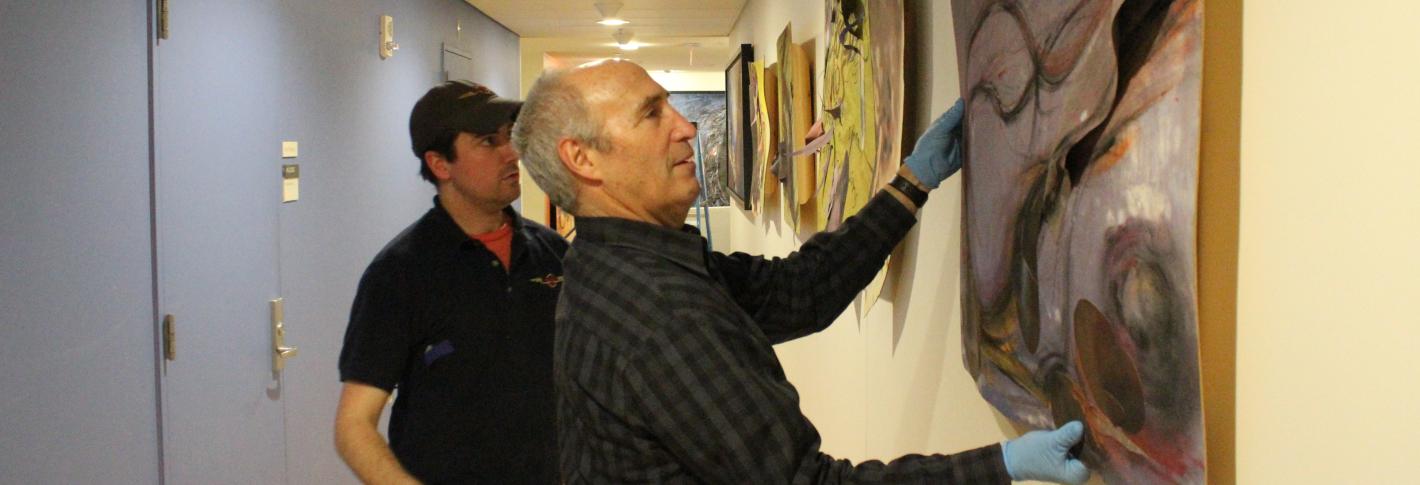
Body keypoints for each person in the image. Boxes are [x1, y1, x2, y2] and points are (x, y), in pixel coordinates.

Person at [511, 60, 1091, 484]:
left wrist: (912, 182)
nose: (686, 127)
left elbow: (799, 291)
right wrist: (1000, 464)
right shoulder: (659, 313)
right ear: (582, 159)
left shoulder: (616, 260)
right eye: (652, 113)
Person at [334, 81, 567, 484]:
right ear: (441, 164)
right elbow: (353, 426)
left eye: (508, 136)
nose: (511, 152)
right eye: (486, 142)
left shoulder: (553, 253)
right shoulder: (400, 273)